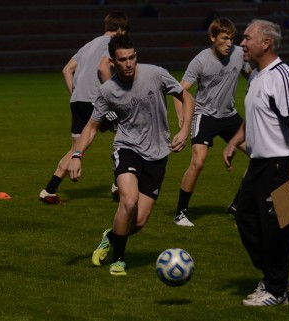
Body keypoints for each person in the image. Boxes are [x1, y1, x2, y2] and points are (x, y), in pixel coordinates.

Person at [68, 34, 194, 276]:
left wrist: (185, 130)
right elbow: (92, 126)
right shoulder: (108, 91)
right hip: (127, 148)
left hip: (157, 153)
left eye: (132, 57)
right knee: (128, 200)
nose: (128, 63)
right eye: (123, 59)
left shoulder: (156, 74)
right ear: (113, 63)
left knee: (137, 222)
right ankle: (118, 261)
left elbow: (186, 98)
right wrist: (77, 154)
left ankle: (111, 236)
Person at [223, 19, 289, 306]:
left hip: (282, 165)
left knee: (277, 229)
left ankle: (276, 290)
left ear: (266, 43)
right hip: (259, 165)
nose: (241, 43)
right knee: (244, 217)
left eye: (247, 38)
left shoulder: (283, 77)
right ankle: (276, 277)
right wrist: (234, 141)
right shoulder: (257, 75)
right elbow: (256, 115)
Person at [39, 11, 130, 204]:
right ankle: (118, 185)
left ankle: (49, 190)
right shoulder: (110, 45)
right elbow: (103, 67)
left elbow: (66, 70)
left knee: (77, 148)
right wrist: (113, 94)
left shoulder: (89, 44)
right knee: (127, 133)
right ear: (120, 29)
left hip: (77, 101)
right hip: (95, 101)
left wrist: (75, 93)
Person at [173, 17, 251, 227]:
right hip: (204, 116)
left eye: (232, 39)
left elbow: (251, 75)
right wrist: (182, 122)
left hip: (229, 117)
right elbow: (178, 92)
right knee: (198, 162)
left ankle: (237, 205)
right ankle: (180, 213)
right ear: (212, 38)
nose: (229, 43)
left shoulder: (238, 54)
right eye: (224, 38)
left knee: (260, 156)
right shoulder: (200, 61)